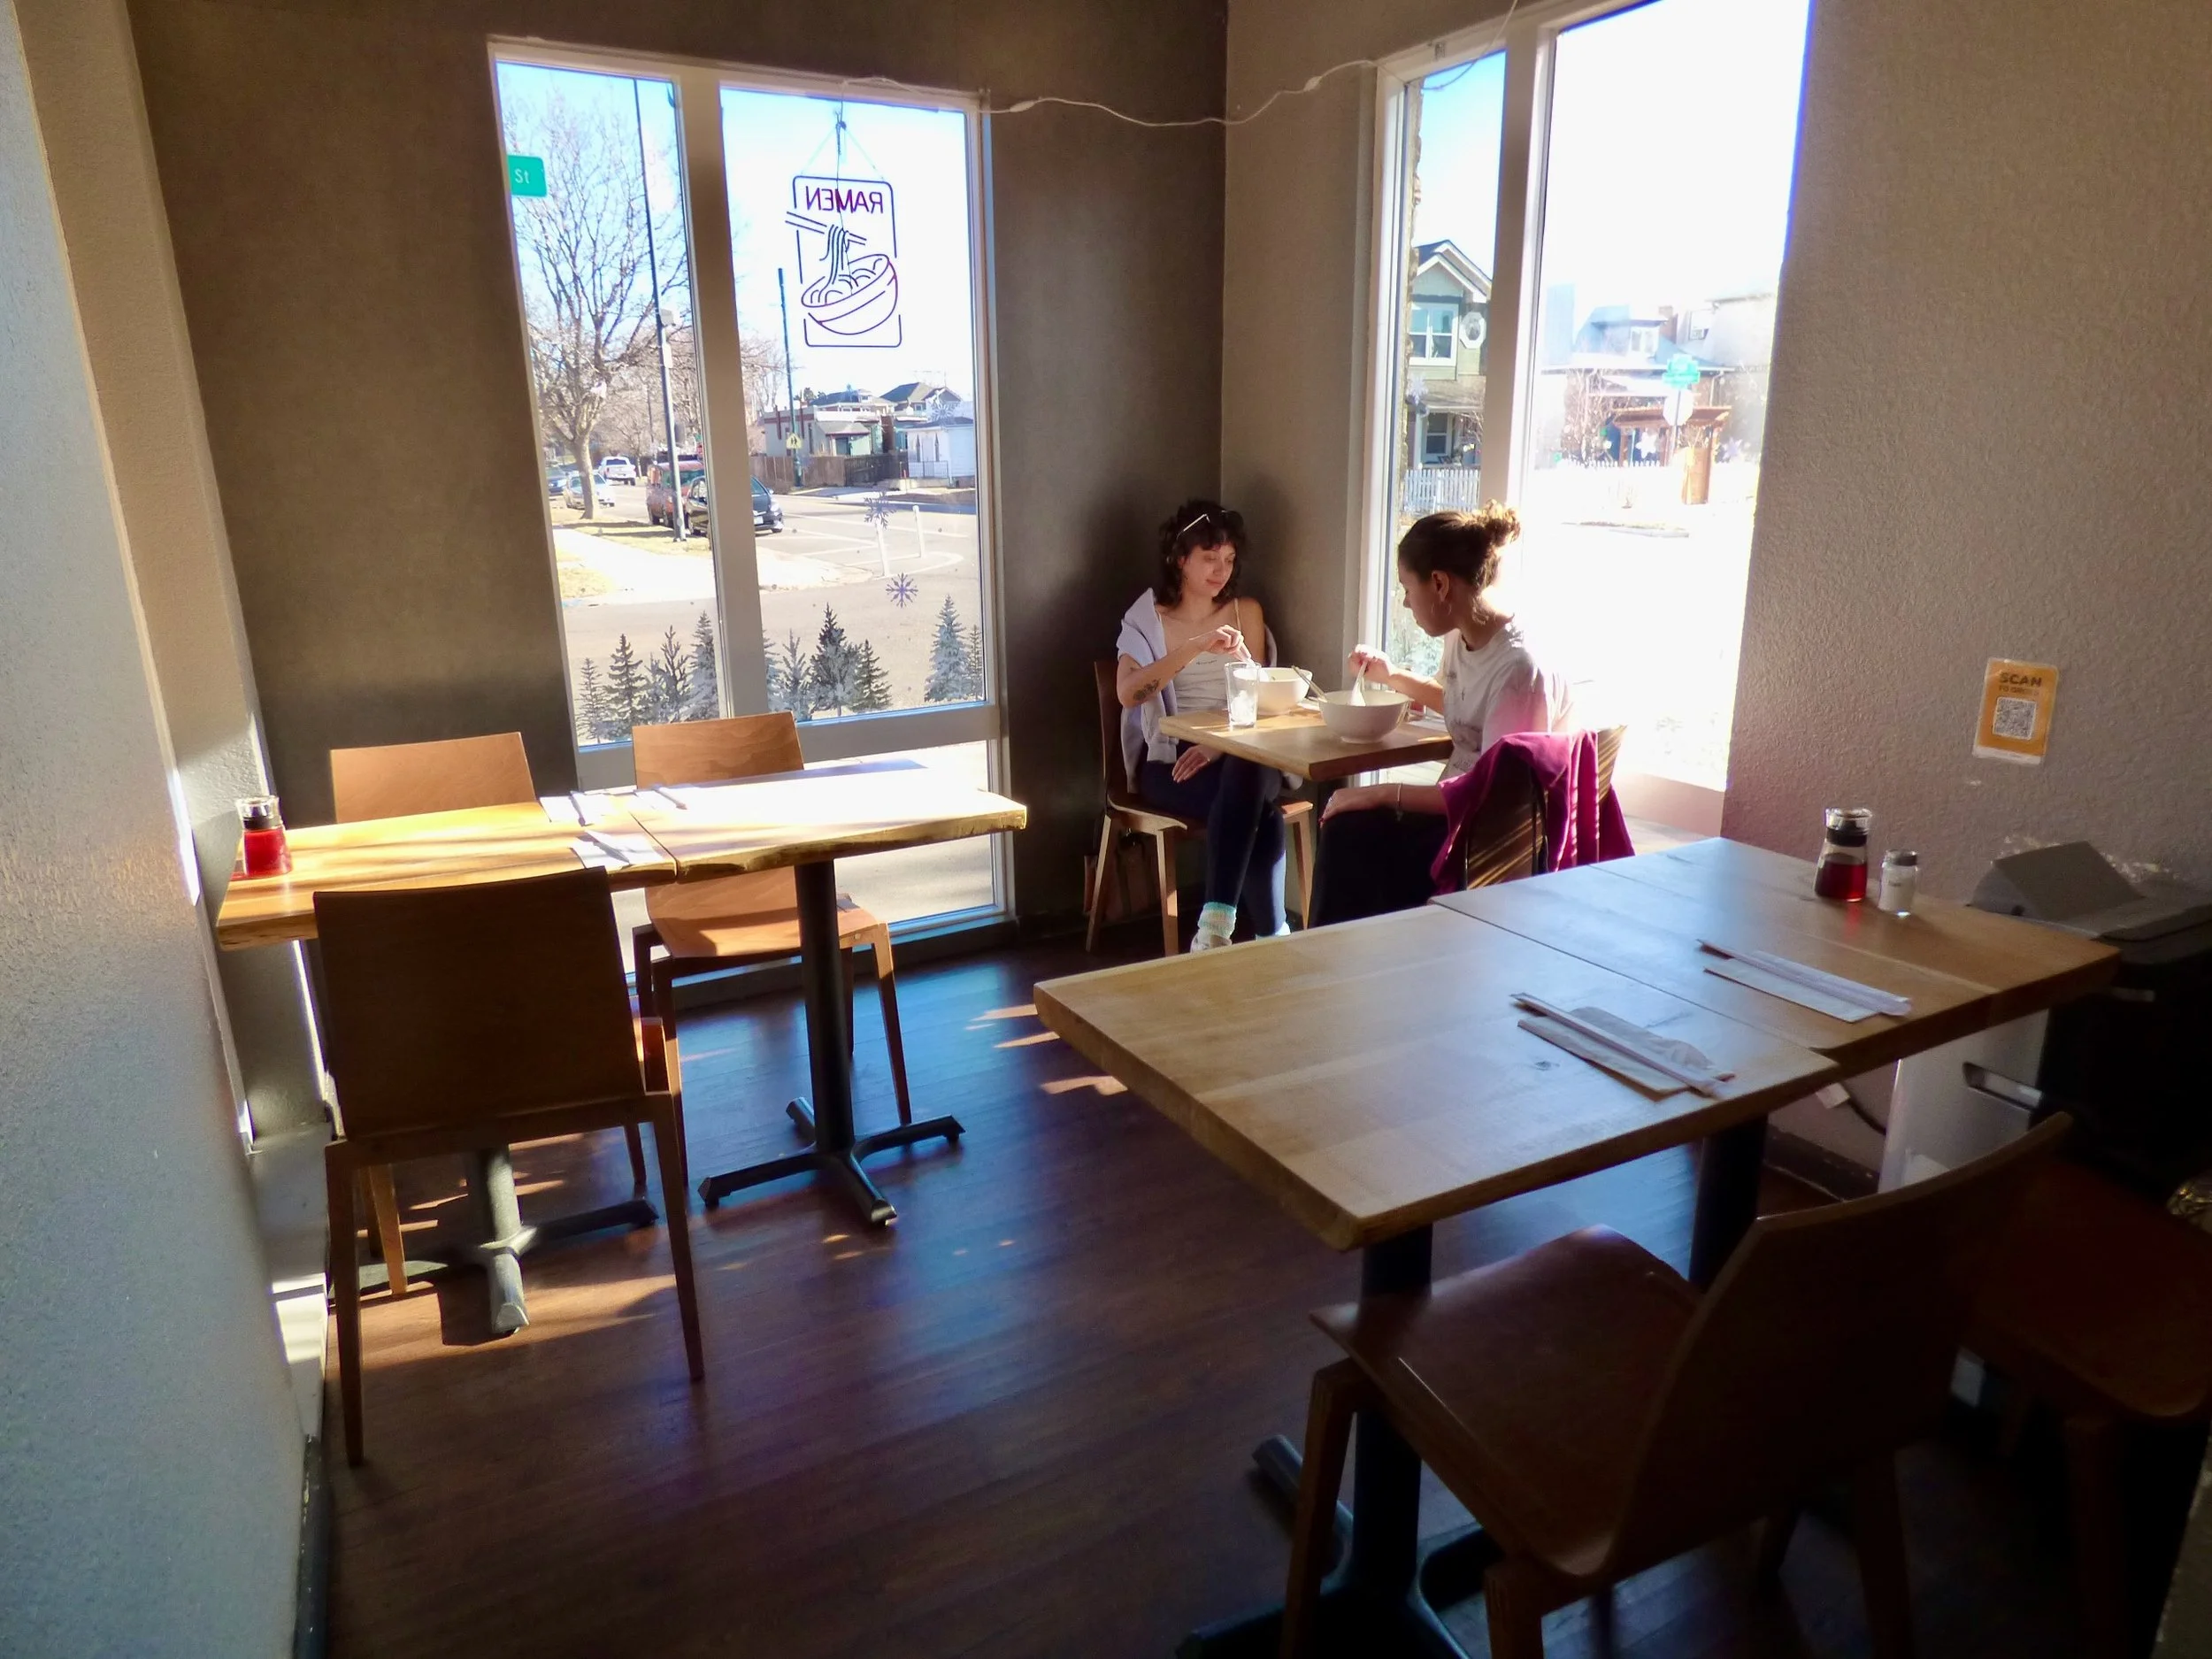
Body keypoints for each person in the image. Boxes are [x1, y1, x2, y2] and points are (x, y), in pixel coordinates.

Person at [1310, 504, 1572, 926]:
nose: (1406, 602)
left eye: (1406, 588)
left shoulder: (1521, 671)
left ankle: (1332, 969)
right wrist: (1393, 675)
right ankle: (1332, 968)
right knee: (1347, 828)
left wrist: (1381, 792)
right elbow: (1463, 705)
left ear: (1439, 584)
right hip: (1455, 816)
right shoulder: (1463, 636)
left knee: (1352, 835)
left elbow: (1492, 795)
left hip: (1488, 842)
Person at [1115, 499, 1287, 950]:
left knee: (1248, 767)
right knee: (1258, 808)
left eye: (1229, 560)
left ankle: (1214, 929)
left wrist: (1216, 746)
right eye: (1209, 558)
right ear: (1179, 559)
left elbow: (1257, 693)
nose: (1221, 571)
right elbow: (1128, 692)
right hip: (1171, 760)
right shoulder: (1147, 618)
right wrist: (1193, 648)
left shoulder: (1244, 611)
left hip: (1235, 751)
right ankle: (1274, 938)